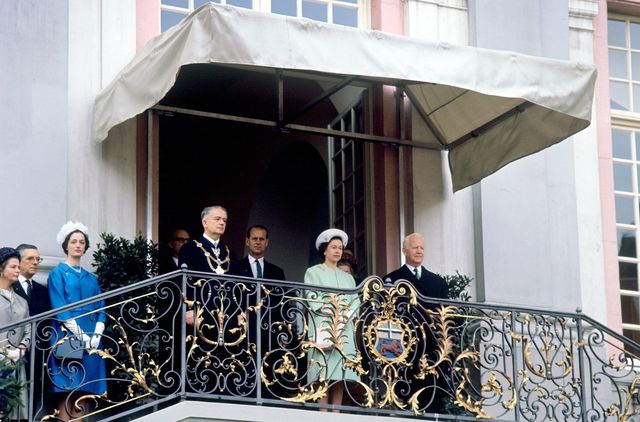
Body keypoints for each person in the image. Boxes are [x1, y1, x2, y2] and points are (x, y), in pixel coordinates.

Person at [382, 233, 449, 412]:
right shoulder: (391, 279)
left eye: (422, 248)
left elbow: (447, 318)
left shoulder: (438, 282)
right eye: (415, 247)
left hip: (432, 350)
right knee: (406, 399)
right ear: (404, 250)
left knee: (433, 401)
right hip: (405, 349)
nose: (419, 251)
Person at [48, 221, 107, 421]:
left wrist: (97, 333)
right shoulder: (57, 273)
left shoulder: (91, 278)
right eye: (73, 241)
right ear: (66, 245)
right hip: (68, 334)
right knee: (68, 388)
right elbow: (60, 307)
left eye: (82, 242)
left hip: (92, 338)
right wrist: (81, 335)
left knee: (83, 391)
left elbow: (101, 306)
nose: (78, 245)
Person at [304, 229, 360, 411]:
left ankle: (336, 412)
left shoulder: (348, 278)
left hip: (344, 328)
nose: (337, 251)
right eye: (333, 247)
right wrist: (333, 312)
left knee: (340, 373)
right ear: (324, 250)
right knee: (323, 372)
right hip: (324, 325)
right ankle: (323, 413)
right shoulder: (313, 272)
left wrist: (344, 316)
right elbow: (312, 297)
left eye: (340, 248)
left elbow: (355, 301)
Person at [15, 243, 51, 417]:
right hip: (13, 350)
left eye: (38, 259)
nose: (35, 262)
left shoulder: (42, 290)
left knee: (33, 399)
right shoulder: (8, 286)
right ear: (18, 261)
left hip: (37, 354)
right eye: (30, 258)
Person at [0, 247, 31, 420]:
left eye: (19, 267)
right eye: (13, 267)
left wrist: (20, 349)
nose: (18, 270)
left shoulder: (22, 301)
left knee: (15, 412)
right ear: (1, 269)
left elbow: (28, 329)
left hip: (16, 362)